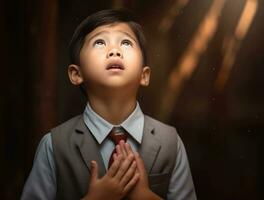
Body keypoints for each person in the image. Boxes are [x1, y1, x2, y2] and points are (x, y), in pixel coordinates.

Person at [21, 9, 197, 200]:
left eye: (126, 42)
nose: (114, 50)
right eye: (99, 42)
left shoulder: (170, 142)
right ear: (76, 74)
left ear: (144, 75)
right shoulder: (53, 146)